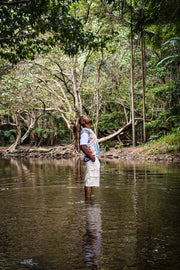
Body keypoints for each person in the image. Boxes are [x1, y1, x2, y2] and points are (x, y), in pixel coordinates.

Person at [79, 115, 100, 199]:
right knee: (89, 181)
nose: (87, 117)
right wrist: (92, 157)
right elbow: (82, 146)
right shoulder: (85, 132)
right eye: (85, 117)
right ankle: (88, 202)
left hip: (93, 159)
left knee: (91, 181)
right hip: (91, 159)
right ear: (83, 122)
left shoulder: (89, 131)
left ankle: (88, 201)